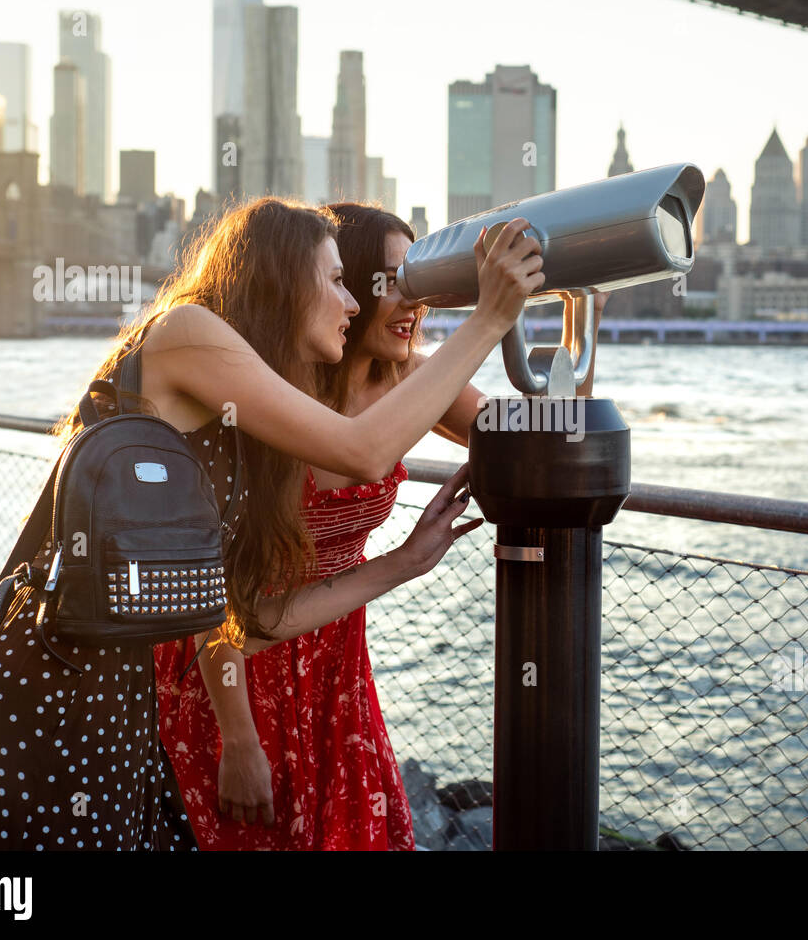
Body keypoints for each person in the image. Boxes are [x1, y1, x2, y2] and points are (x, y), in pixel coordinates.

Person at [0, 196, 543, 850]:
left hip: (115, 720)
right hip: (32, 714)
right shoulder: (188, 333)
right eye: (334, 281)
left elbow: (246, 621)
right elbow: (362, 449)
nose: (351, 303)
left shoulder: (241, 417)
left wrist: (403, 563)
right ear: (281, 279)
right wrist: (492, 317)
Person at [156, 203, 607, 849]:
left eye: (418, 284)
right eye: (388, 281)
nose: (411, 303)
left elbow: (538, 437)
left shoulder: (415, 378)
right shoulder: (270, 388)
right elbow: (210, 585)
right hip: (233, 663)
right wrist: (239, 737)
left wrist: (580, 325)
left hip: (336, 656)